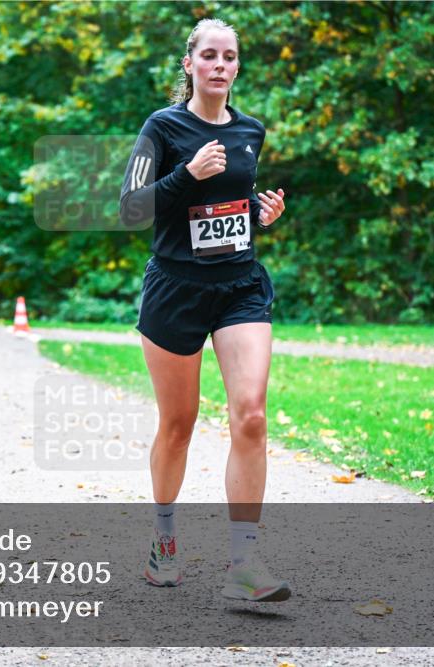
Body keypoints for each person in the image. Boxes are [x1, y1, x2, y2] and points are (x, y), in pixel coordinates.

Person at [120, 19, 289, 601]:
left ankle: (244, 563)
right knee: (179, 424)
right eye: (209, 56)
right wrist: (186, 175)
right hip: (176, 288)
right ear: (189, 64)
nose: (220, 65)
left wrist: (259, 215)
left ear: (238, 67)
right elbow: (131, 209)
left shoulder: (250, 131)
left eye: (230, 56)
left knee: (251, 415)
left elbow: (231, 205)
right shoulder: (162, 128)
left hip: (240, 284)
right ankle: (164, 540)